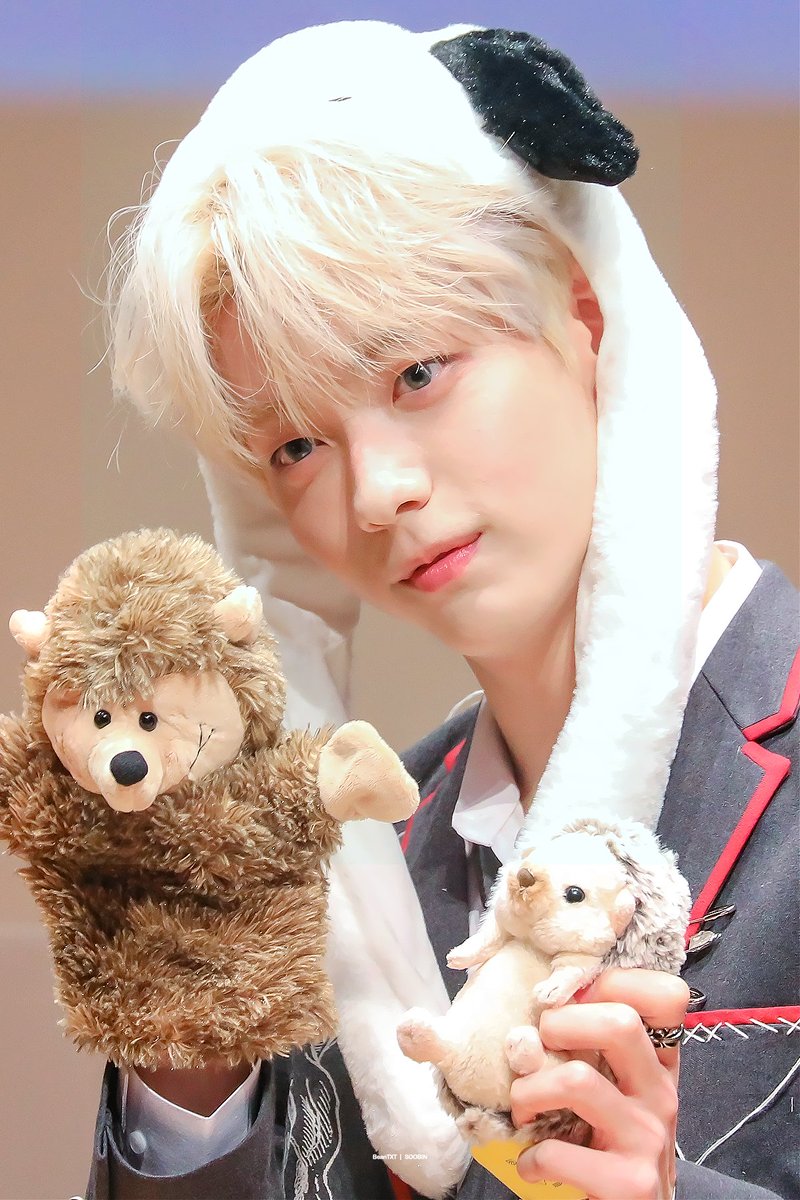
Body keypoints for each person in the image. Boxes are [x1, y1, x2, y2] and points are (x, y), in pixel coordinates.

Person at [82, 20, 797, 1200]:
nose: (376, 492)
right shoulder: (351, 874)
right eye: (296, 446)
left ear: (583, 316)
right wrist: (186, 1062)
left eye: (416, 372)